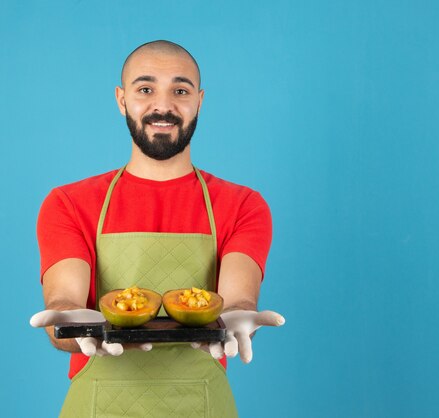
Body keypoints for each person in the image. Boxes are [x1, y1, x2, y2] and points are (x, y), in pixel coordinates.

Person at [30, 40, 284, 418]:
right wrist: (68, 322)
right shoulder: (69, 203)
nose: (163, 106)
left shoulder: (243, 205)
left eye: (180, 91)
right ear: (121, 99)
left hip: (203, 405)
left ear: (199, 101)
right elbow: (64, 300)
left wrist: (240, 315)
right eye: (145, 89)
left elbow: (236, 300)